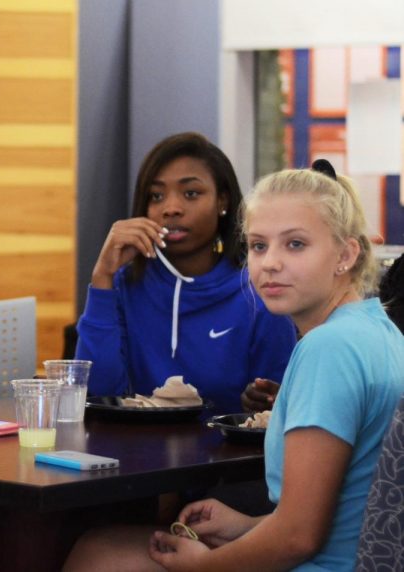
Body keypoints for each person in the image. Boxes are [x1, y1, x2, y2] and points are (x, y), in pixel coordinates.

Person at [65, 161, 404, 571]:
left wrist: (203, 567)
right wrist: (246, 526)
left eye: (295, 244)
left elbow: (298, 538)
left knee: (100, 554)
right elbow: (341, 515)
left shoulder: (328, 348)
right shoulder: (380, 329)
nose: (270, 263)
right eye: (259, 246)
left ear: (346, 254)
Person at [75, 132, 297, 414]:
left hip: (226, 457)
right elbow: (96, 395)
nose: (171, 209)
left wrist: (261, 400)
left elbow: (277, 411)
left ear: (223, 201)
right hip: (132, 454)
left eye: (191, 193)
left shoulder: (259, 293)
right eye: (156, 196)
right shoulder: (123, 285)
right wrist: (102, 277)